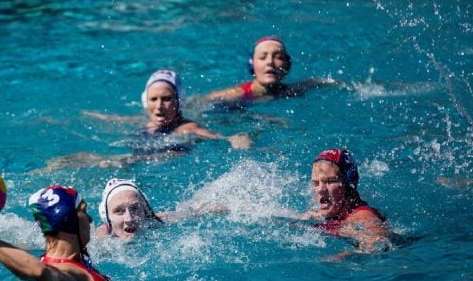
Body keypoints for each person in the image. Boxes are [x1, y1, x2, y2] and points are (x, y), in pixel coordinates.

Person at [39, 69, 250, 173]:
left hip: (167, 160)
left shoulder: (187, 127)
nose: (159, 106)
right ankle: (47, 169)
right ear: (145, 101)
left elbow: (215, 137)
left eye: (167, 99)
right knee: (76, 157)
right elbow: (117, 120)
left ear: (179, 101)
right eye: (154, 99)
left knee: (120, 160)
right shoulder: (144, 123)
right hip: (137, 157)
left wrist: (234, 138)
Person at [194, 36, 340, 110]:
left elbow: (322, 82)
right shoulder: (236, 94)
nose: (270, 62)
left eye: (278, 57)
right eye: (263, 57)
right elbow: (197, 104)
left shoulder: (294, 90)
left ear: (287, 65)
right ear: (252, 65)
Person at [300, 148, 391, 255]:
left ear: (348, 186)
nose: (320, 189)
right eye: (315, 183)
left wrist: (347, 254)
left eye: (330, 181)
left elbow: (381, 243)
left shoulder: (363, 216)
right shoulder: (321, 212)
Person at [95, 178, 165, 240]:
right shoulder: (100, 238)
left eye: (134, 208)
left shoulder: (154, 221)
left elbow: (175, 216)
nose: (129, 219)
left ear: (145, 211)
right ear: (107, 218)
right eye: (118, 211)